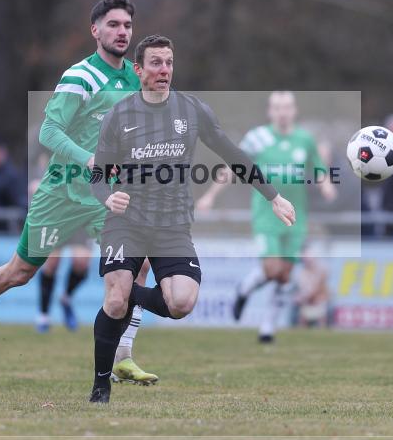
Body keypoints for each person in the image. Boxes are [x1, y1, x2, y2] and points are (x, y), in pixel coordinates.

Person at [0, 0, 157, 385]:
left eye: (127, 26)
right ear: (96, 30)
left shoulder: (132, 80)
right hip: (63, 194)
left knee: (138, 263)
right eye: (114, 25)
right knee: (18, 272)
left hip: (108, 197)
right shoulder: (79, 77)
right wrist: (88, 158)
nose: (122, 32)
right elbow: (49, 132)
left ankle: (123, 355)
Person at [87, 34, 296, 403]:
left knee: (180, 304)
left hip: (172, 225)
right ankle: (100, 384)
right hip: (127, 223)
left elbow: (232, 153)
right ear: (138, 70)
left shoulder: (192, 110)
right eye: (155, 63)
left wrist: (273, 195)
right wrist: (108, 197)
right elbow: (98, 176)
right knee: (116, 301)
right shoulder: (119, 115)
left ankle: (123, 295)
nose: (164, 69)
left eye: (168, 62)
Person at [196, 91, 335, 343]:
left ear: (294, 111)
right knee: (272, 269)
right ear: (270, 112)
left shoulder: (304, 139)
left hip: (296, 216)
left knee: (285, 274)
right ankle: (244, 289)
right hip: (266, 215)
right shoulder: (258, 138)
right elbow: (233, 165)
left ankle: (267, 328)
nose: (282, 112)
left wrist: (326, 184)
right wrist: (211, 195)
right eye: (277, 107)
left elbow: (318, 168)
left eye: (287, 107)